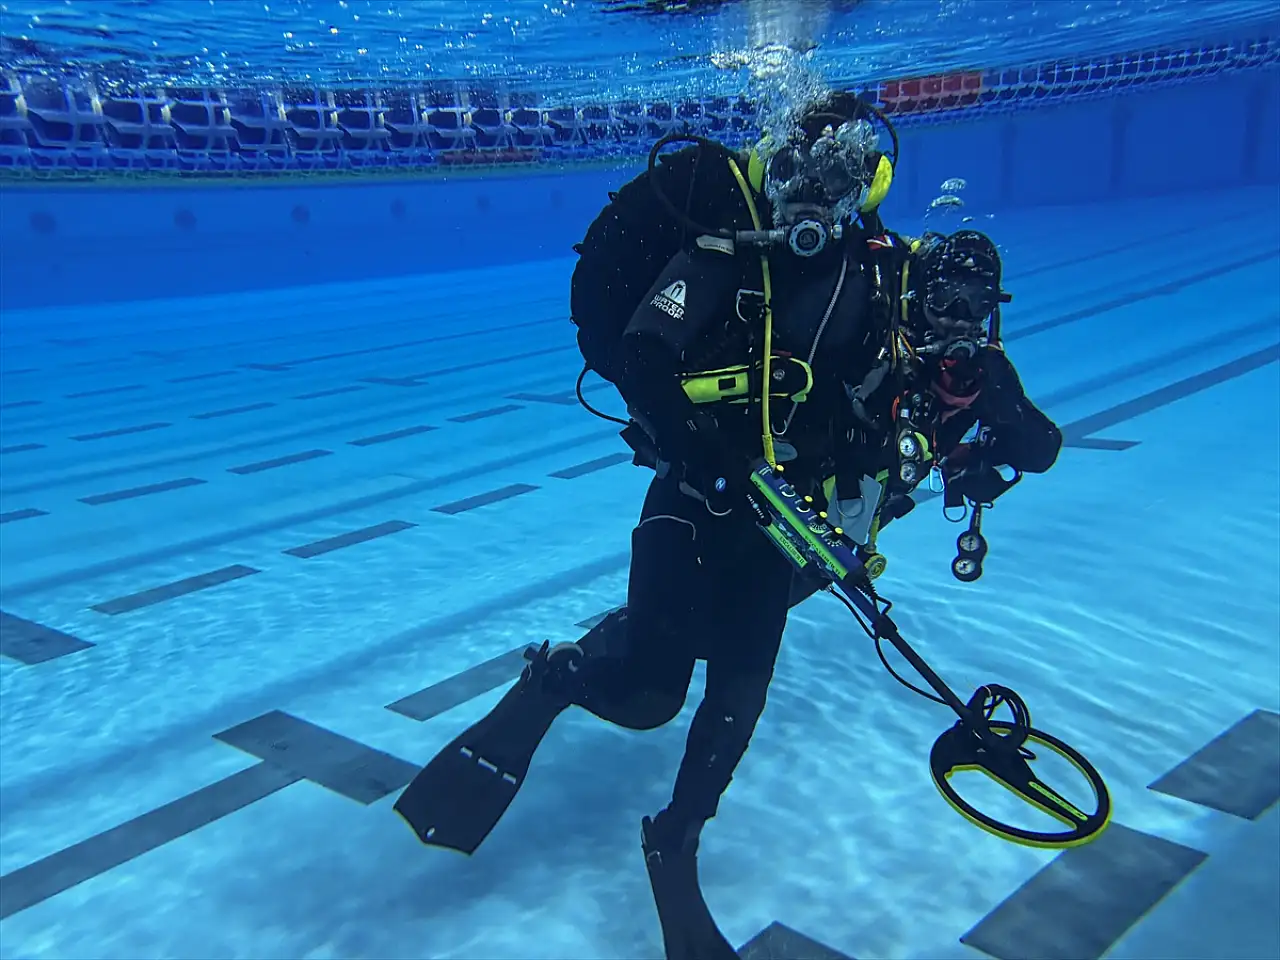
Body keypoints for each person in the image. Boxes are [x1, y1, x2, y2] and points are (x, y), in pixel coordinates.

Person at [394, 92, 1061, 958]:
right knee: (649, 695)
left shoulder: (889, 278)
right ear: (774, 170)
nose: (815, 202)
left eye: (841, 179)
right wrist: (711, 459)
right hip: (697, 494)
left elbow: (1015, 424)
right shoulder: (731, 253)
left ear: (870, 180)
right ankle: (555, 680)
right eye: (801, 175)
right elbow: (641, 352)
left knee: (737, 693)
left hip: (785, 523)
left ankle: (676, 838)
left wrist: (989, 391)